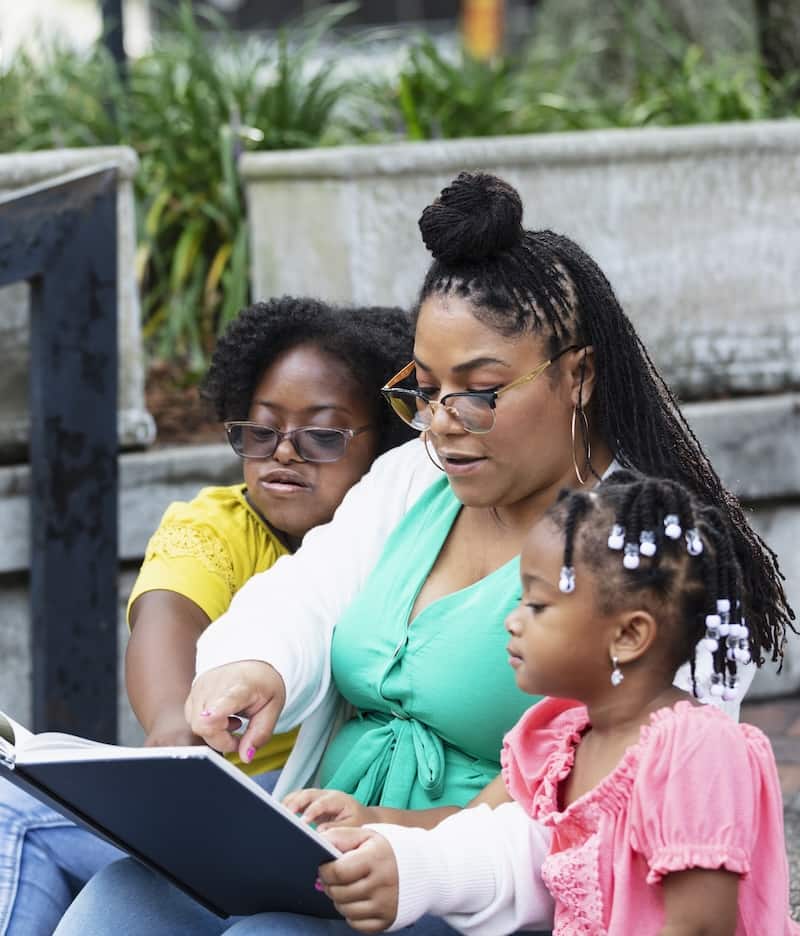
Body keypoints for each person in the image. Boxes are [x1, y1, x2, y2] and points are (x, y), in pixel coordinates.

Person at [54, 172, 792, 934]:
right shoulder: (416, 477)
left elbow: (608, 830)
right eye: (426, 388)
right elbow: (313, 588)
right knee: (121, 900)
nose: (439, 423)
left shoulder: (657, 556)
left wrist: (418, 865)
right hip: (329, 838)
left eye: (480, 390)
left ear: (578, 375)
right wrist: (258, 664)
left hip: (480, 894)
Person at [0, 296, 414, 936]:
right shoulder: (215, 523)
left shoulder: (411, 539)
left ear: (388, 441)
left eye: (321, 434)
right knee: (14, 809)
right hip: (219, 805)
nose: (283, 452)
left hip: (342, 810)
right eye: (261, 429)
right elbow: (167, 618)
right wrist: (173, 727)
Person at [318, 472, 799, 935]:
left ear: (629, 634)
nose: (512, 620)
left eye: (537, 605)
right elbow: (468, 824)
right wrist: (375, 824)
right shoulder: (559, 736)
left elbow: (699, 925)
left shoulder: (694, 750)